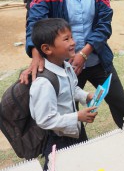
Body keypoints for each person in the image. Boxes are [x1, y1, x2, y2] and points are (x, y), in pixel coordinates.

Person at [21, 0, 124, 131]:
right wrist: (35, 53)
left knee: (120, 103)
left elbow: (104, 25)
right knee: (70, 116)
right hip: (65, 66)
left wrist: (84, 53)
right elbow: (34, 21)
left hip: (97, 60)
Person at [30, 18, 97, 170]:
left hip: (75, 131)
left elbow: (73, 89)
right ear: (47, 49)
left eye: (71, 37)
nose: (73, 42)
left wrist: (86, 96)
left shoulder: (66, 66)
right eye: (66, 39)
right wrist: (77, 117)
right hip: (57, 140)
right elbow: (44, 120)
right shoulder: (44, 83)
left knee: (82, 162)